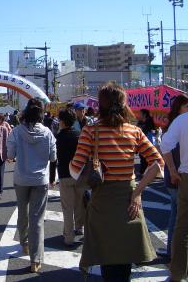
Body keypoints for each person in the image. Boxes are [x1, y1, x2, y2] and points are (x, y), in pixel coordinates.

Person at [70, 82, 164, 281]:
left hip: (102, 200)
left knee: (108, 260)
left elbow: (74, 170)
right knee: (124, 261)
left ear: (100, 105)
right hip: (129, 200)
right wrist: (137, 193)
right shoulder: (134, 131)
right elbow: (158, 162)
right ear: (124, 104)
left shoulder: (90, 130)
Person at [6, 98, 56, 273]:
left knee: (22, 211)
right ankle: (36, 260)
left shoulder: (16, 131)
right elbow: (53, 157)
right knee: (37, 219)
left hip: (21, 178)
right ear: (41, 114)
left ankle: (24, 242)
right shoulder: (48, 133)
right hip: (40, 179)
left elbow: (10, 154)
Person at [156, 95, 188, 259]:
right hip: (177, 177)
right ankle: (173, 252)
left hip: (177, 175)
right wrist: (174, 171)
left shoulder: (177, 123)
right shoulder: (177, 124)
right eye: (185, 106)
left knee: (178, 217)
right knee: (178, 219)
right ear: (179, 107)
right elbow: (165, 147)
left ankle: (172, 252)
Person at [56, 108, 85, 246]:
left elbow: (55, 158)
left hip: (64, 174)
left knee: (67, 207)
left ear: (62, 121)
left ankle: (68, 237)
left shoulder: (59, 137)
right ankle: (80, 227)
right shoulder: (80, 135)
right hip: (80, 173)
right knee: (79, 203)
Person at [137, 108, 156, 175]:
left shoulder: (149, 121)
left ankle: (148, 172)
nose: (138, 114)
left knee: (147, 157)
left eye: (140, 113)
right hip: (141, 142)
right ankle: (143, 171)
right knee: (142, 157)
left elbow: (153, 130)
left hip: (148, 141)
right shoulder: (140, 121)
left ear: (144, 114)